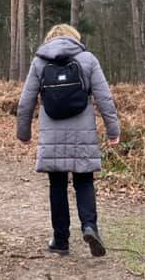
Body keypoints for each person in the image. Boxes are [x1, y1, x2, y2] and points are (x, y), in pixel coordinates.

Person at [16, 24, 120, 257]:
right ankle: (90, 227)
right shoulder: (88, 59)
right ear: (75, 38)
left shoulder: (40, 62)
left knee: (57, 185)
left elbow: (25, 102)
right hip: (82, 135)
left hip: (52, 135)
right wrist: (113, 131)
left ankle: (61, 240)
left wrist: (23, 133)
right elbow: (105, 98)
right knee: (84, 181)